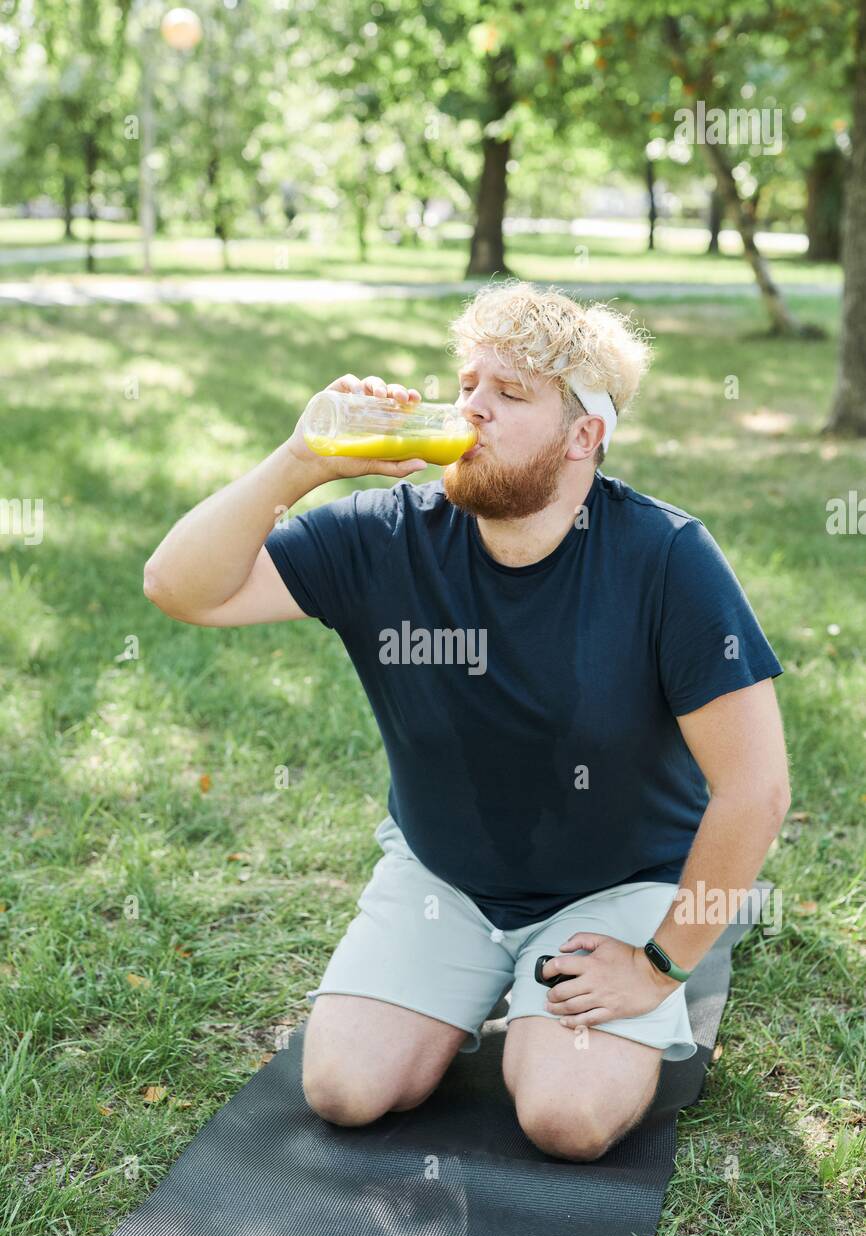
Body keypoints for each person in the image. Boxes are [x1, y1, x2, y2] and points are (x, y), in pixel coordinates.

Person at [143, 280, 790, 1163]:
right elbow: (180, 588)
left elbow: (754, 789)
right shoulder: (386, 533)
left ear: (583, 435)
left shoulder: (667, 559)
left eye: (510, 394)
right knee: (344, 1090)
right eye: (469, 382)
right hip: (447, 877)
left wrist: (658, 962)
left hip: (619, 882)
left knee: (565, 1119)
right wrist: (301, 462)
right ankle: (496, 978)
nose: (471, 409)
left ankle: (695, 948)